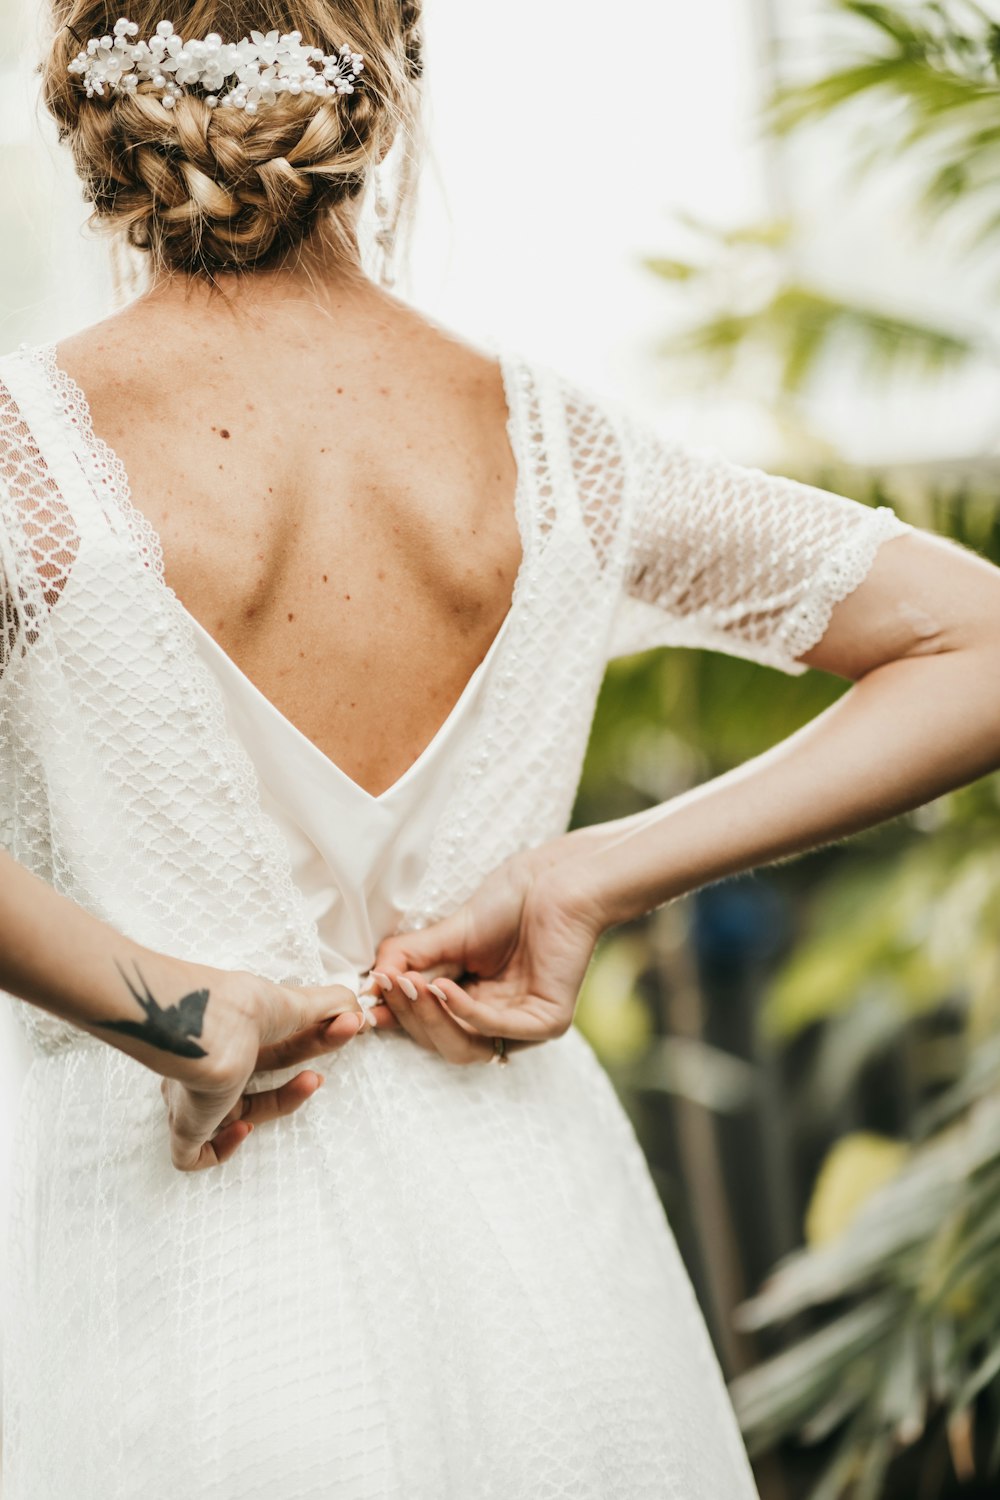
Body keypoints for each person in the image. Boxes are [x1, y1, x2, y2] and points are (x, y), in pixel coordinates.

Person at [2, 3, 1000, 1497]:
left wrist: (172, 1012)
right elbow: (974, 638)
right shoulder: (563, 454)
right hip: (540, 1250)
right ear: (389, 80)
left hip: (167, 1250)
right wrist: (583, 877)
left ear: (90, 92)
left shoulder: (28, 463)